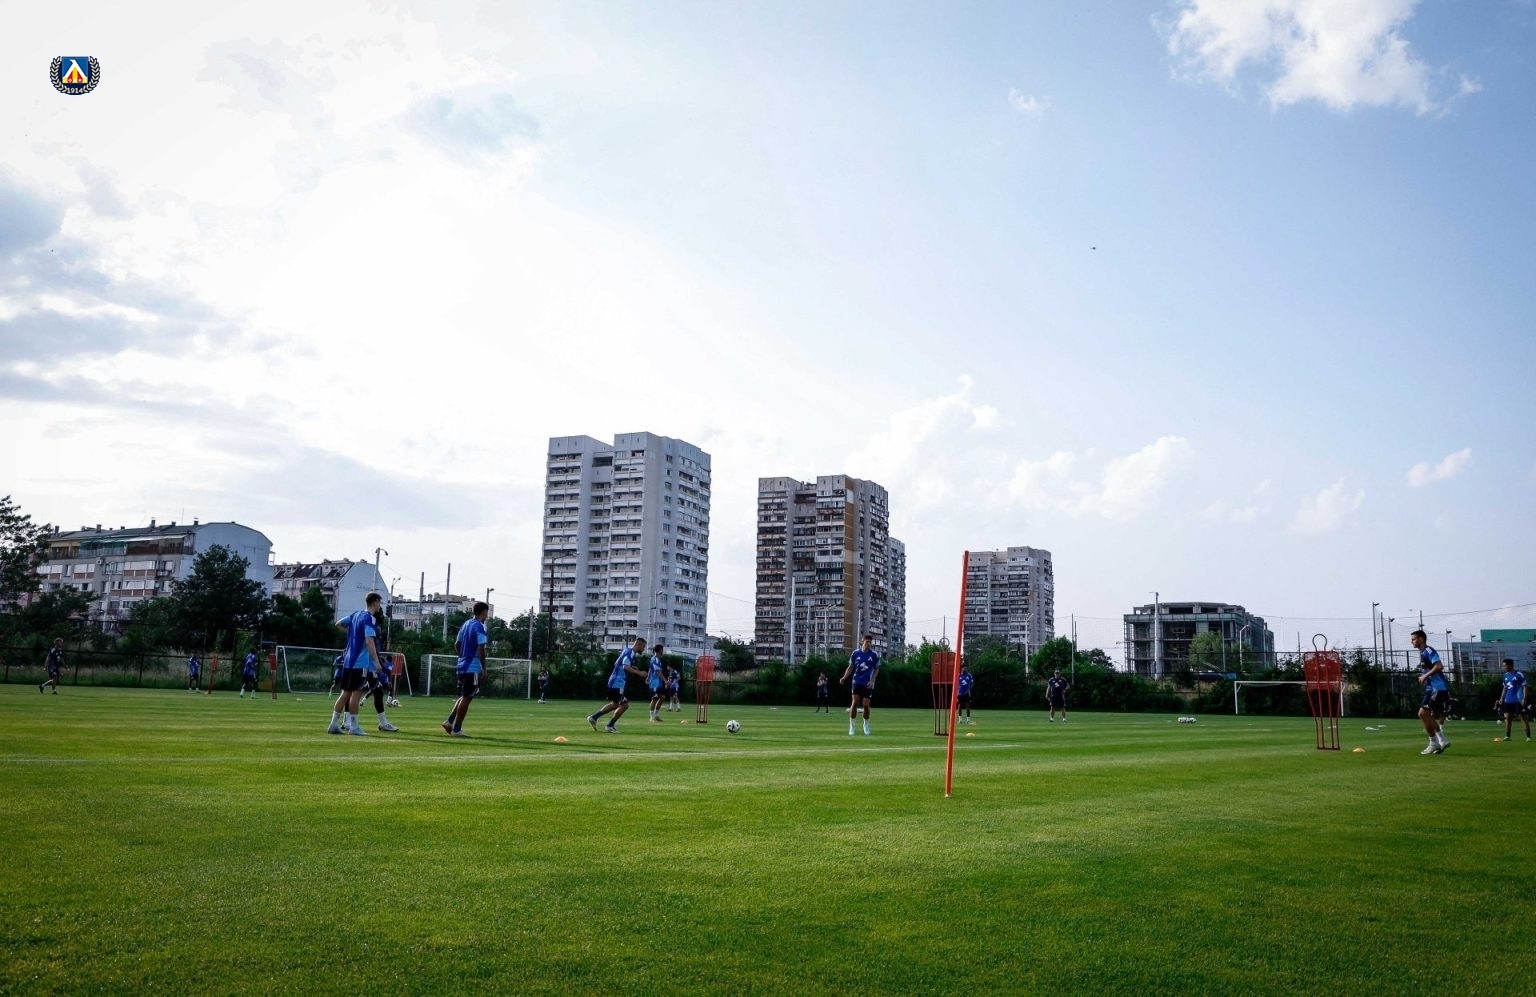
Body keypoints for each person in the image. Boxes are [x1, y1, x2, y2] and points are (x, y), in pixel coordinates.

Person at [328, 592, 384, 736]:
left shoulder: (356, 615)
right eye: (379, 602)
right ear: (375, 602)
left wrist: (352, 633)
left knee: (345, 694)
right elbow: (369, 641)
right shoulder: (369, 619)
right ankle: (354, 727)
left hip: (348, 661)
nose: (380, 605)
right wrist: (376, 662)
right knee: (356, 694)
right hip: (359, 663)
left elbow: (338, 624)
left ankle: (333, 725)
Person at [442, 602, 489, 737]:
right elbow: (481, 648)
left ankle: (449, 721)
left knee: (463, 696)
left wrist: (462, 657)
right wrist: (484, 668)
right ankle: (457, 729)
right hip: (472, 666)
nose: (487, 615)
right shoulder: (479, 627)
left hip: (461, 665)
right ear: (483, 612)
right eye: (487, 613)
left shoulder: (466, 624)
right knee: (467, 698)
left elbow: (457, 644)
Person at [587, 637, 648, 733]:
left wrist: (632, 667)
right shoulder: (630, 653)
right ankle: (609, 725)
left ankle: (594, 718)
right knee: (624, 705)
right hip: (617, 683)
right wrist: (639, 673)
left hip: (615, 681)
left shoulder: (626, 650)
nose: (644, 649)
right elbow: (625, 666)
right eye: (643, 647)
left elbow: (617, 663)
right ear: (639, 645)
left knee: (616, 704)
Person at [1411, 628, 1450, 755]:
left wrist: (1425, 676)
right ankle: (1438, 742)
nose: (1412, 642)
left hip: (1437, 688)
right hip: (1432, 688)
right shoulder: (1423, 653)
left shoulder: (1428, 650)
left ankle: (1437, 742)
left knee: (1423, 713)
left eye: (1414, 639)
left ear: (1421, 639)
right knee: (1425, 715)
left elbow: (1439, 666)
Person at [840, 634, 881, 736]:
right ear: (862, 642)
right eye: (867, 642)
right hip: (856, 681)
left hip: (868, 683)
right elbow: (850, 667)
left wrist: (872, 680)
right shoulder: (855, 653)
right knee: (855, 703)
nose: (869, 644)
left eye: (870, 642)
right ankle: (852, 727)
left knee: (866, 705)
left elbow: (877, 668)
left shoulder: (874, 654)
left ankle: (865, 725)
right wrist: (844, 677)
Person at [1497, 657, 1530, 743]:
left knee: (1523, 718)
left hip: (1518, 700)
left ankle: (1528, 736)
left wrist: (1524, 698)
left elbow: (1525, 686)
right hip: (1508, 700)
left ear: (1510, 665)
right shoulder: (1505, 676)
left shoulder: (1519, 674)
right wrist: (1501, 698)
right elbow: (1505, 688)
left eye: (1505, 666)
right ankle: (1507, 736)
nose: (1504, 667)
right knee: (1508, 717)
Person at [368, 647, 400, 732]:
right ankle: (350, 723)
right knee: (353, 693)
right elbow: (373, 651)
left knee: (378, 693)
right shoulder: (370, 639)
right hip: (367, 669)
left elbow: (376, 653)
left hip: (370, 670)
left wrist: (383, 668)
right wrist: (380, 666)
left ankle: (346, 722)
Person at [647, 644, 666, 722]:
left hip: (658, 682)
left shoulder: (656, 659)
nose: (663, 651)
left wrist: (648, 677)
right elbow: (658, 672)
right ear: (659, 650)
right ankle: (651, 717)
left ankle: (656, 715)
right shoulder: (655, 659)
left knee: (662, 697)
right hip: (654, 682)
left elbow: (650, 669)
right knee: (655, 698)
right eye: (662, 649)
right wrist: (665, 680)